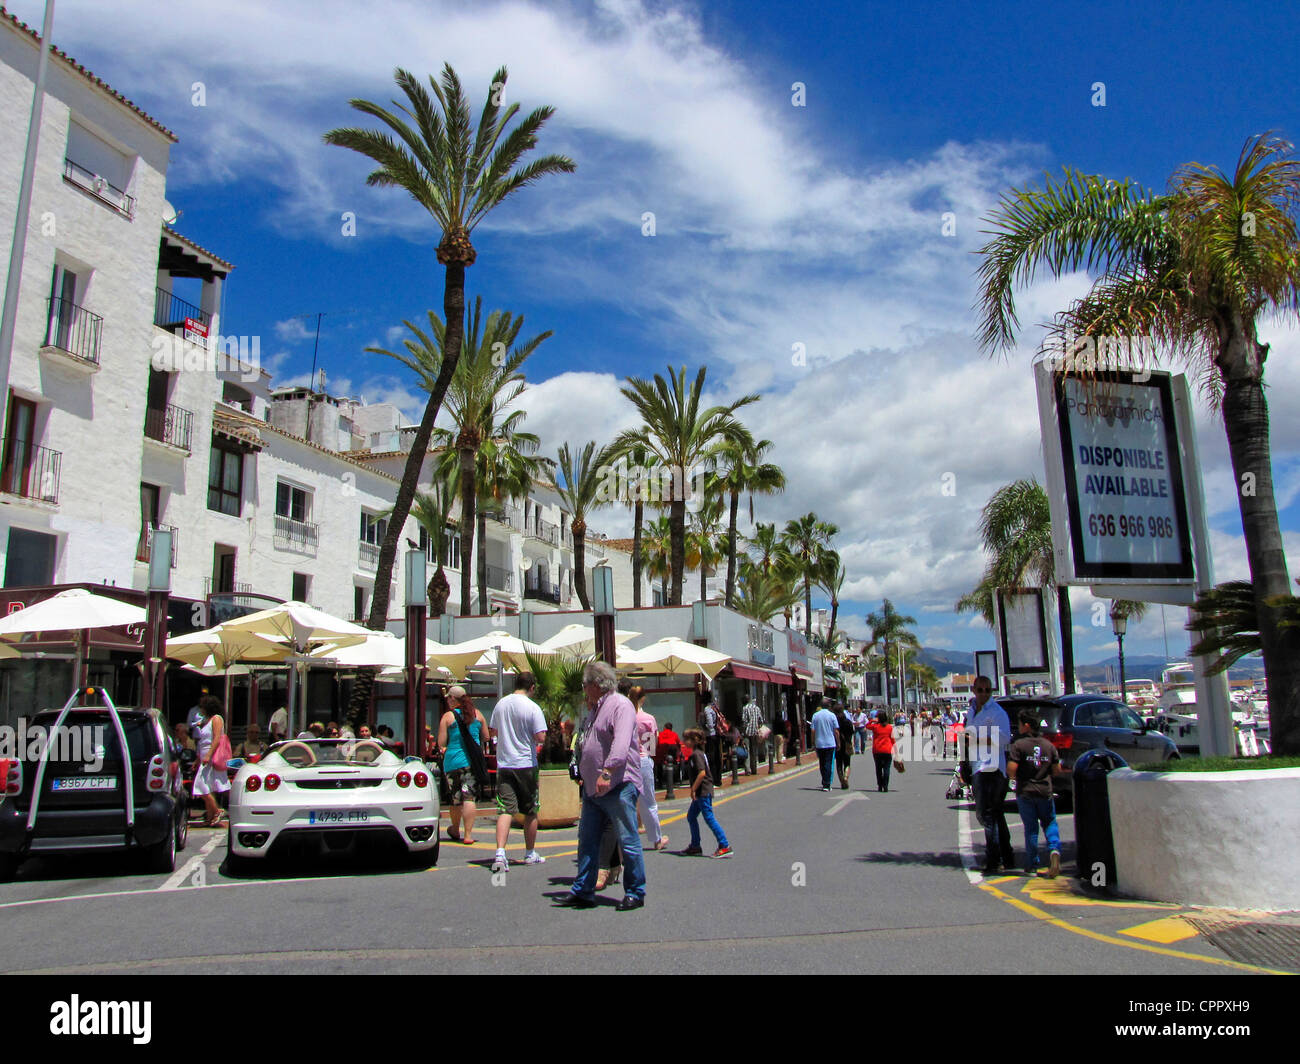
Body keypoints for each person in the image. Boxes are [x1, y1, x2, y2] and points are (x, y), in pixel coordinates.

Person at [558, 661, 645, 911]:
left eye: (585, 685)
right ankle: (583, 890)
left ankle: (635, 891)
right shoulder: (596, 708)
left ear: (596, 684)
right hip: (593, 788)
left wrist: (607, 771)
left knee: (627, 839)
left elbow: (620, 742)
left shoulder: (620, 705)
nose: (584, 689)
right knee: (587, 839)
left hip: (617, 783)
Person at [488, 672, 549, 873]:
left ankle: (499, 853)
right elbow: (540, 737)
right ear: (532, 687)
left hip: (505, 763)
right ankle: (530, 852)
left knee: (505, 809)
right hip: (525, 764)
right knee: (530, 810)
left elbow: (492, 732)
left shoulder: (501, 704)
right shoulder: (533, 707)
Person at [1007, 706, 1064, 878]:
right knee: (1049, 822)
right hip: (1045, 791)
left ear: (1026, 726)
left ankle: (1032, 864)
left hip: (1026, 791)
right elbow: (1057, 770)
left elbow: (1011, 769)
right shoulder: (1049, 745)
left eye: (1020, 723)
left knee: (1031, 829)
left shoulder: (1019, 745)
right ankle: (1054, 849)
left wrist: (1014, 777)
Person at [968, 676, 1015, 875]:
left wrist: (978, 739)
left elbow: (1004, 738)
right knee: (994, 814)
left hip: (992, 768)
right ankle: (1007, 855)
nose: (984, 694)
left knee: (987, 815)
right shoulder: (972, 710)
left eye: (987, 690)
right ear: (974, 690)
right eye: (980, 690)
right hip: (977, 766)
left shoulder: (997, 712)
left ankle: (994, 859)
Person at [438, 686, 489, 845]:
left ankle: (454, 828)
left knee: (455, 798)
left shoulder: (448, 717)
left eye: (448, 698)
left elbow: (441, 743)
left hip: (452, 762)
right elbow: (486, 737)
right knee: (469, 797)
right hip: (471, 762)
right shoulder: (478, 715)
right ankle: (467, 835)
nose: (447, 700)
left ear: (453, 699)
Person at [681, 727, 732, 858]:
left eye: (686, 739)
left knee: (709, 818)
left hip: (703, 791)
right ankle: (695, 845)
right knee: (691, 816)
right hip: (701, 792)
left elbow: (702, 773)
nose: (684, 742)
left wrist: (693, 789)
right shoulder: (699, 753)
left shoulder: (696, 755)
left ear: (694, 740)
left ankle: (724, 845)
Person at [630, 686, 668, 851]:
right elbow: (652, 745)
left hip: (626, 761)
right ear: (643, 699)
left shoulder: (624, 716)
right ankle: (657, 840)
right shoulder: (648, 719)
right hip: (643, 759)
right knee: (649, 802)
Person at [191, 695, 229, 827]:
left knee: (200, 786)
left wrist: (208, 755)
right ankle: (210, 817)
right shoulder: (206, 721)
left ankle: (218, 811)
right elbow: (201, 742)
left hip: (210, 757)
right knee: (207, 786)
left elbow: (217, 738)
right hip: (203, 756)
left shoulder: (216, 719)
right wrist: (198, 758)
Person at [866, 710, 895, 792]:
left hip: (877, 750)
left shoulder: (875, 727)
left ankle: (879, 785)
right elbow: (892, 739)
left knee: (878, 769)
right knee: (887, 768)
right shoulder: (889, 727)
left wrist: (872, 720)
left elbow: (867, 726)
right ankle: (885, 785)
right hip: (887, 750)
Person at [700, 698, 723, 787]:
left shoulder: (707, 709)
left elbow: (710, 725)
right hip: (717, 735)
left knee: (711, 758)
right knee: (717, 757)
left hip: (710, 736)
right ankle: (718, 779)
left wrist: (703, 725)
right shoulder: (715, 707)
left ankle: (712, 779)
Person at [740, 695, 763, 776]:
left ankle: (748, 770)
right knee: (754, 750)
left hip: (747, 732)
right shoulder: (757, 708)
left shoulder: (745, 708)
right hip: (755, 732)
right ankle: (754, 769)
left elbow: (744, 721)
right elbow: (761, 720)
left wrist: (742, 733)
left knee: (747, 750)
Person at [832, 704, 853, 789]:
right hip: (847, 743)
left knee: (839, 764)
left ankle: (842, 781)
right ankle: (846, 777)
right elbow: (852, 732)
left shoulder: (834, 721)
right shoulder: (847, 721)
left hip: (837, 744)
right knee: (847, 763)